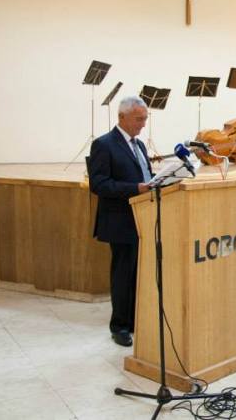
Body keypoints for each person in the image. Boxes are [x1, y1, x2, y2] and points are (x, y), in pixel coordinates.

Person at [88, 96, 152, 347]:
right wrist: (135, 188)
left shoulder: (140, 145)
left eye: (145, 119)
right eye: (139, 119)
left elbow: (144, 175)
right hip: (120, 221)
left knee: (138, 274)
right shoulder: (104, 144)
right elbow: (99, 184)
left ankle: (135, 320)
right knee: (123, 274)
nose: (143, 124)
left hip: (142, 218)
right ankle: (120, 326)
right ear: (122, 117)